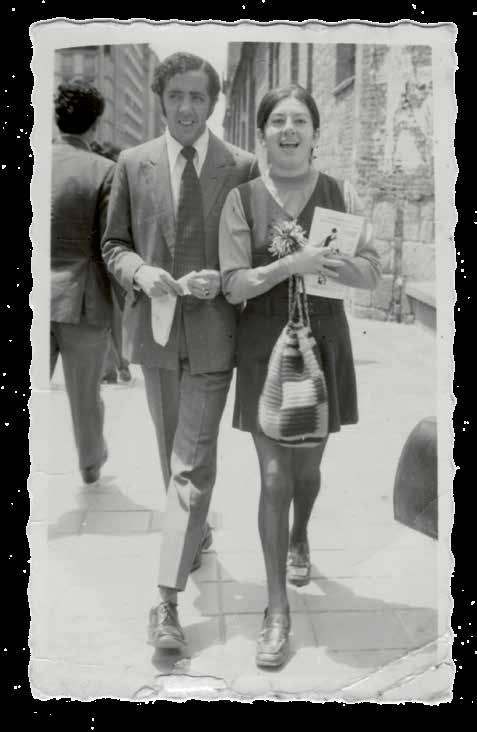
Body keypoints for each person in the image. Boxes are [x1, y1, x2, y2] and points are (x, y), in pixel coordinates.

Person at [219, 84, 381, 668]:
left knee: (306, 471)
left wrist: (334, 263)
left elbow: (373, 272)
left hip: (324, 343)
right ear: (262, 133)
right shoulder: (242, 200)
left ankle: (300, 533)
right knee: (273, 476)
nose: (288, 130)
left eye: (300, 121)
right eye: (277, 121)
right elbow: (233, 284)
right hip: (263, 347)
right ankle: (277, 610)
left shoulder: (341, 195)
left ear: (315, 132)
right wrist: (292, 263)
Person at [102, 52, 259, 652]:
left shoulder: (241, 167)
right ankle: (194, 535)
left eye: (198, 97)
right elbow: (114, 244)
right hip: (156, 335)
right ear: (161, 101)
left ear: (213, 103)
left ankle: (165, 603)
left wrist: (226, 277)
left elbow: (253, 251)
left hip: (215, 337)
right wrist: (141, 272)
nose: (187, 108)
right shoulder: (132, 163)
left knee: (191, 464)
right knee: (174, 458)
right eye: (176, 97)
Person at [50, 80, 115, 485]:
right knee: (85, 392)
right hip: (84, 299)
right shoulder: (104, 170)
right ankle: (90, 464)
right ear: (95, 125)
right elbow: (111, 244)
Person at [90, 140, 132, 385]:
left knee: (105, 315)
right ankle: (120, 365)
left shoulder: (102, 178)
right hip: (115, 256)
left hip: (101, 257)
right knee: (117, 314)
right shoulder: (115, 178)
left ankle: (112, 368)